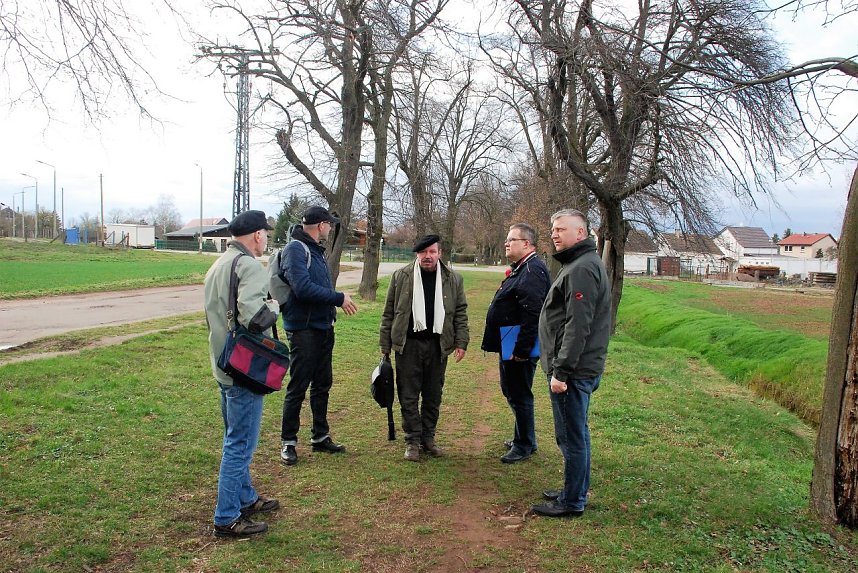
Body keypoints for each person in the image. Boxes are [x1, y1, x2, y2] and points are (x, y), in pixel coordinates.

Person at [204, 210, 281, 538]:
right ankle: (226, 517)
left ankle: (246, 498)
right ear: (257, 235)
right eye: (265, 233)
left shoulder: (219, 263)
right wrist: (276, 305)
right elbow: (255, 319)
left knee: (235, 436)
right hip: (243, 369)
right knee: (240, 444)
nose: (266, 239)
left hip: (223, 364)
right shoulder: (249, 266)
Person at [532, 209, 611, 518]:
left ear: (580, 233)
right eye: (553, 229)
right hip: (577, 368)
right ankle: (575, 489)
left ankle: (572, 501)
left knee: (571, 437)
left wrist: (561, 372)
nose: (554, 234)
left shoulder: (582, 268)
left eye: (561, 229)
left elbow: (578, 326)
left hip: (573, 371)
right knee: (578, 433)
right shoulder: (579, 263)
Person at [279, 206, 358, 466]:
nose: (330, 228)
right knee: (298, 386)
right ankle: (288, 442)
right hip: (303, 329)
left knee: (322, 383)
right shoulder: (295, 249)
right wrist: (338, 298)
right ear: (321, 225)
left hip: (323, 327)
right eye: (329, 224)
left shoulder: (316, 251)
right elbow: (302, 288)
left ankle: (320, 436)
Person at [379, 234, 469, 461]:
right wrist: (385, 344)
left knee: (433, 395)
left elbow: (460, 312)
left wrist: (461, 342)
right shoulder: (401, 276)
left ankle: (428, 438)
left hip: (438, 346)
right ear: (417, 254)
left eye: (432, 252)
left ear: (440, 253)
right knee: (408, 395)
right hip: (408, 346)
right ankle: (412, 440)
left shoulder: (453, 279)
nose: (427, 256)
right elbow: (389, 312)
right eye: (423, 252)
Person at [481, 223, 550, 464]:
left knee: (519, 393)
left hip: (519, 343)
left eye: (512, 240)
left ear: (527, 244)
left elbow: (533, 313)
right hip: (510, 339)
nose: (506, 243)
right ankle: (524, 437)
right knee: (512, 390)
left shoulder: (532, 270)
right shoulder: (523, 267)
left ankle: (524, 445)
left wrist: (522, 350)